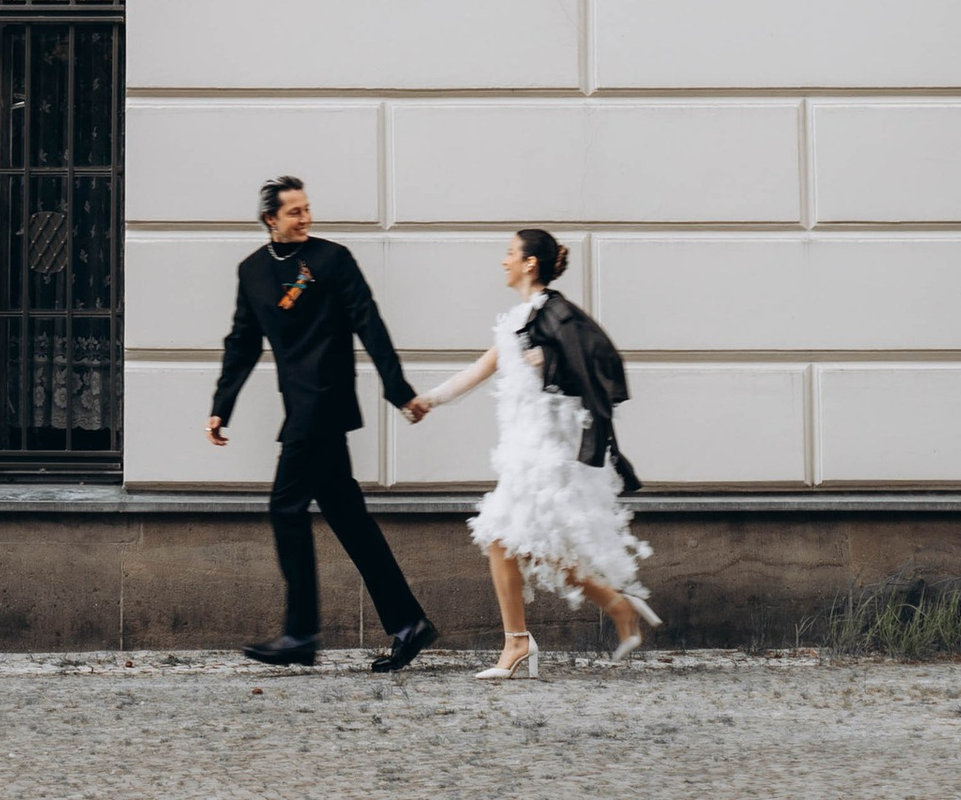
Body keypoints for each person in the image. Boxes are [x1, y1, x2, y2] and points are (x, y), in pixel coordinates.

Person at [208, 174, 439, 672]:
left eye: (307, 209)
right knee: (350, 520)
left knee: (285, 507)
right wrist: (221, 405)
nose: (306, 218)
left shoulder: (333, 260)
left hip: (325, 404)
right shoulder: (252, 272)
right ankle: (409, 624)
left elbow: (369, 323)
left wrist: (397, 389)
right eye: (295, 212)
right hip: (300, 405)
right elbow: (242, 342)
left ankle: (300, 634)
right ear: (271, 219)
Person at [408, 225, 657, 677]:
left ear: (530, 263)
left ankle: (524, 642)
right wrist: (429, 400)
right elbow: (481, 369)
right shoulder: (519, 320)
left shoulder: (555, 317)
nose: (503, 261)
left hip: (546, 455)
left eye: (510, 254)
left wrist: (553, 365)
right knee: (516, 542)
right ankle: (612, 608)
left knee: (507, 539)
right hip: (521, 451)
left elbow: (596, 366)